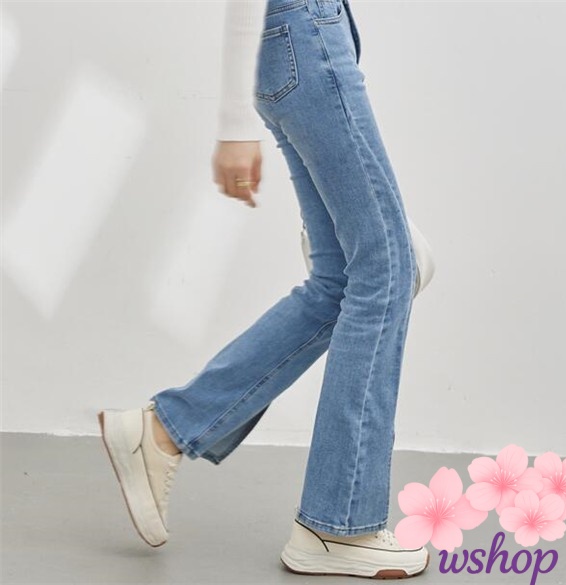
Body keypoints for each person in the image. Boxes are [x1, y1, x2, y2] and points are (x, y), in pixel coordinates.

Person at [98, 0, 433, 579]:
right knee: (384, 273)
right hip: (307, 37)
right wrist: (234, 126)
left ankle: (164, 430)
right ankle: (339, 525)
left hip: (302, 40)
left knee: (340, 281)